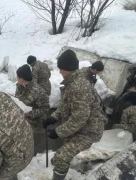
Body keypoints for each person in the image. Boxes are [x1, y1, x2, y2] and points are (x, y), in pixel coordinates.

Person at [42, 49, 106, 180]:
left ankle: (60, 166)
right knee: (66, 146)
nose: (59, 72)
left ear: (68, 69)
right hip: (81, 126)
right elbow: (65, 106)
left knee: (61, 156)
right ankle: (61, 164)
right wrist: (53, 117)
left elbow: (79, 118)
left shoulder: (79, 88)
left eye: (61, 69)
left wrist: (58, 132)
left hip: (89, 130)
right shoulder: (72, 82)